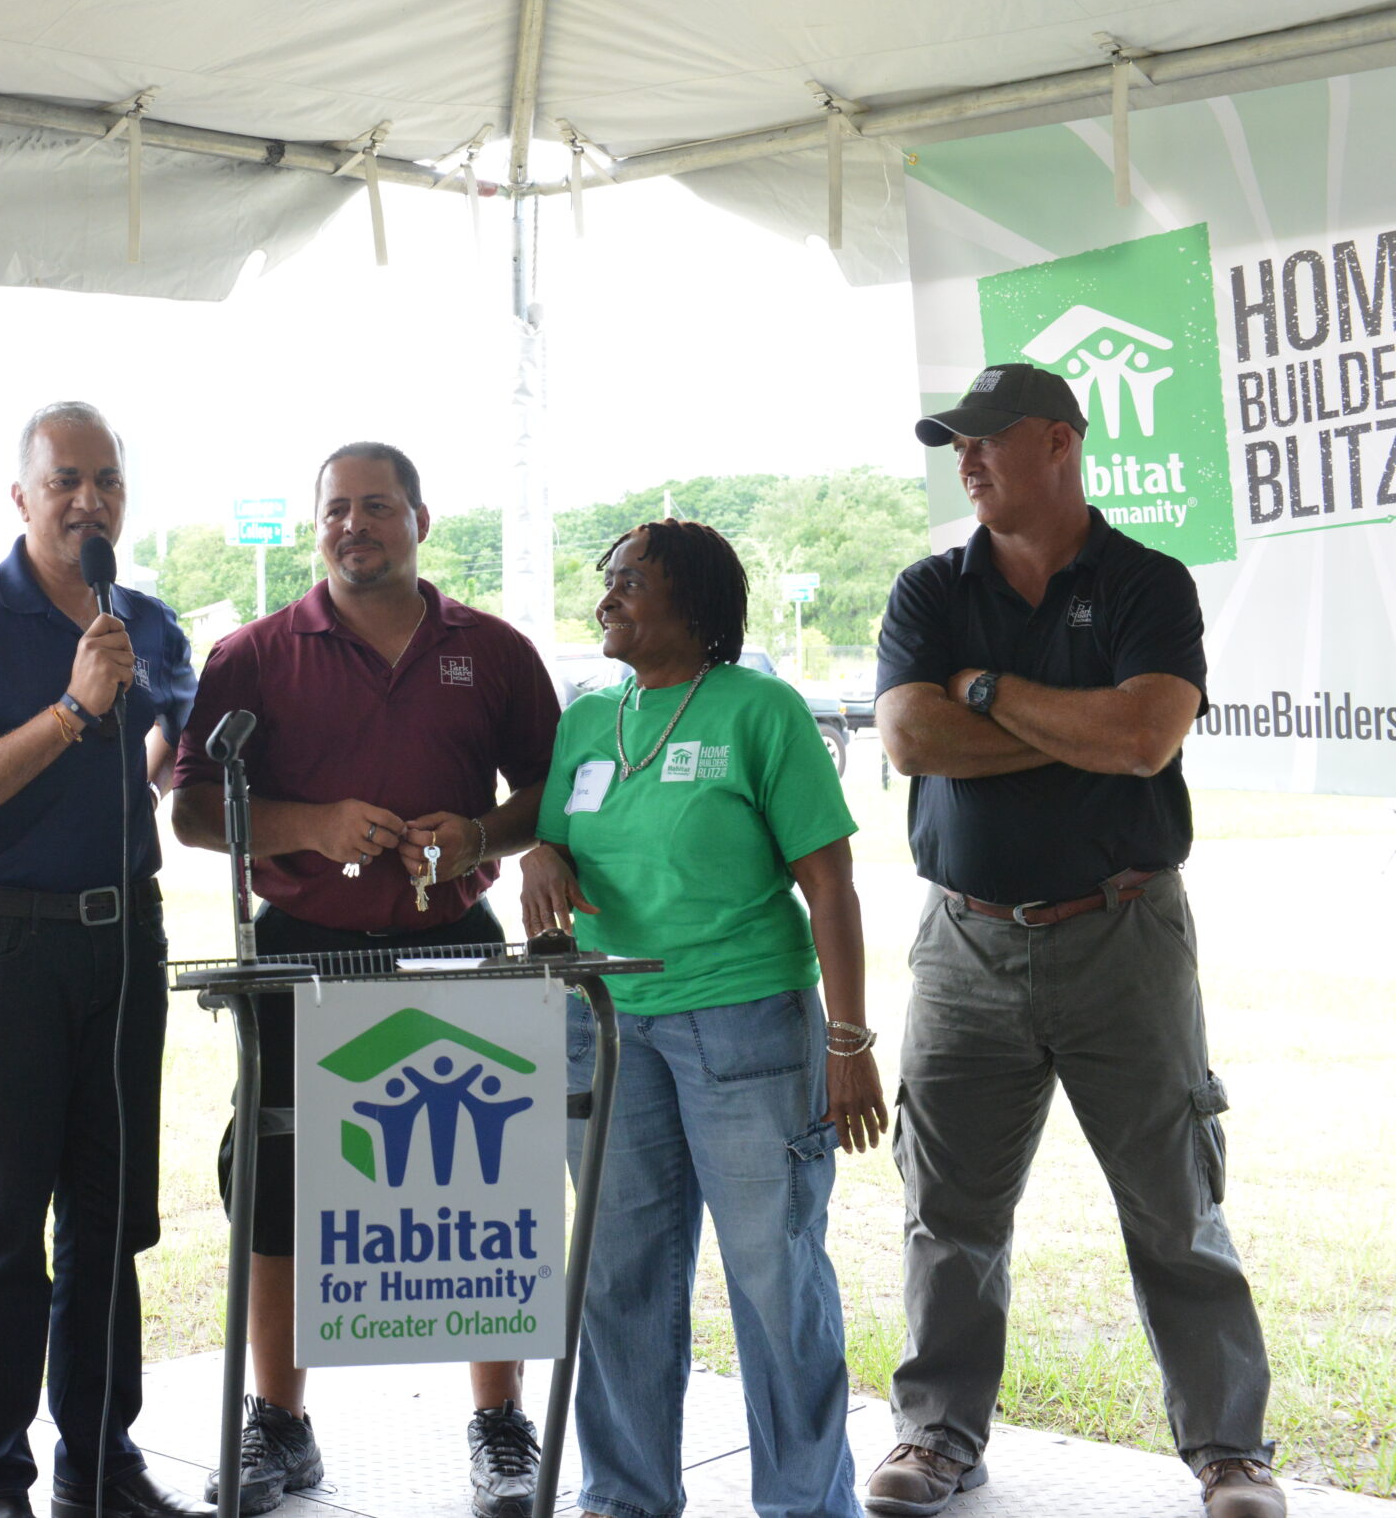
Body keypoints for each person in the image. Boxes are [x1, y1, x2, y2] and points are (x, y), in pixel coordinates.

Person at [868, 364, 1279, 1518]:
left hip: (1125, 932)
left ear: (1059, 441)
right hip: (964, 942)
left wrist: (988, 690)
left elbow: (1146, 734)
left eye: (988, 439)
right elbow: (907, 736)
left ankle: (1228, 1450)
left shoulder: (1146, 580)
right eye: (956, 444)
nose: (967, 460)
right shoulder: (928, 588)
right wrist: (1075, 719)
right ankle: (937, 1433)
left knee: (1174, 1204)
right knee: (947, 1213)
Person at [171, 442, 563, 1518]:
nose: (357, 525)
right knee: (278, 1180)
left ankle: (499, 1425)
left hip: (456, 940)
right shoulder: (251, 655)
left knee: (486, 1179)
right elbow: (195, 809)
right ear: (316, 526)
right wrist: (313, 824)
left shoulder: (491, 650)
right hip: (298, 944)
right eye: (337, 509)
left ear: (421, 519)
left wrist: (481, 830)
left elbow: (555, 787)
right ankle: (279, 1423)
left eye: (378, 506)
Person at [521, 518, 884, 1518]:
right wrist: (539, 854)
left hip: (749, 1030)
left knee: (774, 1276)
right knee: (618, 1276)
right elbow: (554, 838)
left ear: (691, 600)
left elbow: (832, 883)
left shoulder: (757, 708)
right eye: (607, 580)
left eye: (629, 581)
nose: (607, 598)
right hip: (606, 1028)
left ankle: (807, 1503)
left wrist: (846, 1040)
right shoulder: (589, 718)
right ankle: (626, 1498)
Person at [0, 402, 207, 1518]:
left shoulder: (148, 622)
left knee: (110, 1217)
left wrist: (146, 741)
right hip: (3, 946)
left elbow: (172, 738)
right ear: (20, 497)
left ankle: (99, 1456)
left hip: (124, 936)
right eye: (65, 479)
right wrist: (74, 709)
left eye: (107, 481)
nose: (88, 499)